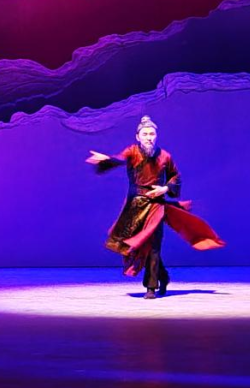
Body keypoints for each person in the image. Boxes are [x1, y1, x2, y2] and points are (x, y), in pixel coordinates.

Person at [86, 115, 224, 299]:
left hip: (156, 206)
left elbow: (175, 177)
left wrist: (164, 188)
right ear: (138, 136)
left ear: (156, 136)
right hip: (135, 207)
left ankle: (151, 287)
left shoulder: (165, 156)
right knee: (140, 245)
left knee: (153, 246)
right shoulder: (132, 151)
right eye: (145, 134)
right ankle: (163, 276)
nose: (148, 137)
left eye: (151, 134)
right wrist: (105, 160)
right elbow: (118, 159)